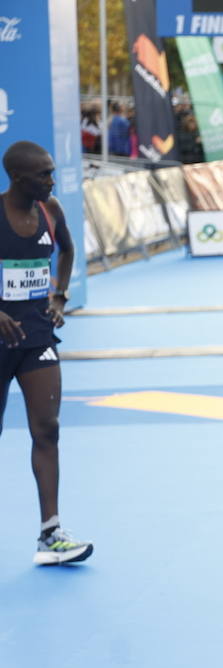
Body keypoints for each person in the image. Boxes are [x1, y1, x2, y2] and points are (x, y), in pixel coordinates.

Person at [1, 141, 93, 565]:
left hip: (37, 336)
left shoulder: (50, 210)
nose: (51, 181)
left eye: (52, 172)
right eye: (43, 175)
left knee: (48, 428)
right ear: (18, 178)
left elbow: (69, 250)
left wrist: (59, 296)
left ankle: (50, 534)